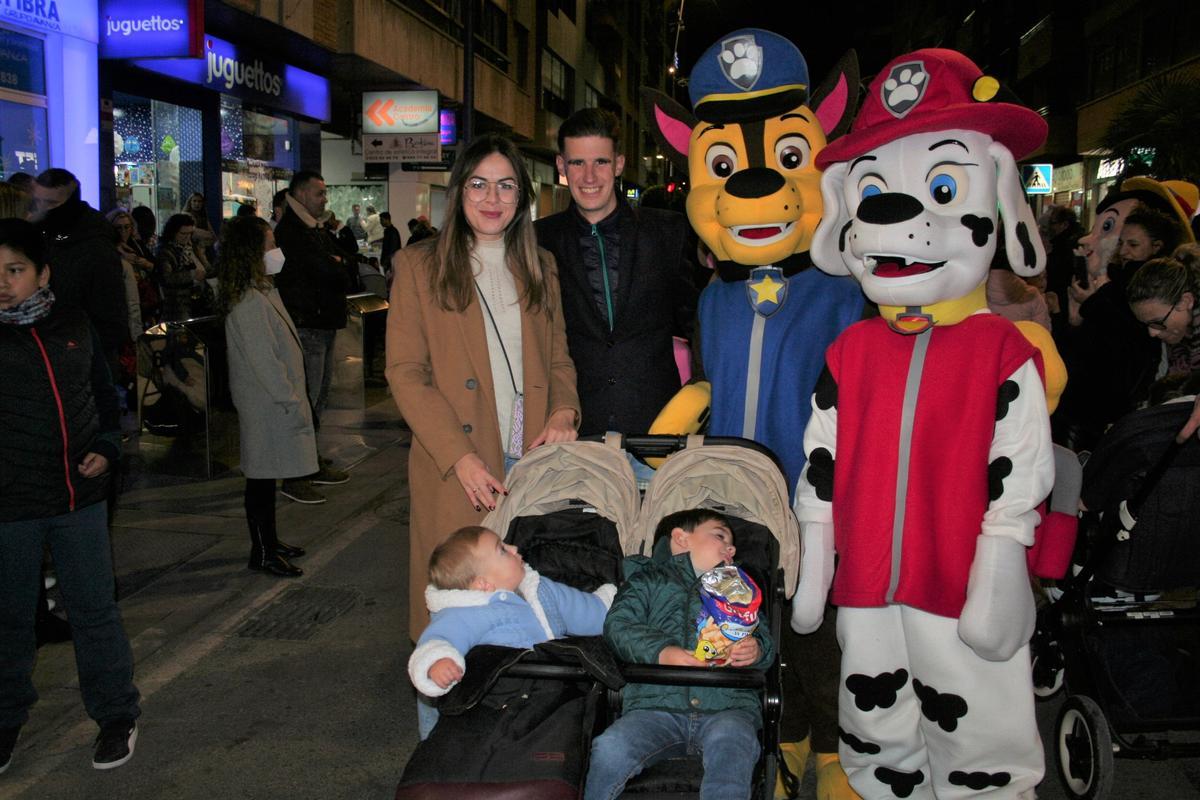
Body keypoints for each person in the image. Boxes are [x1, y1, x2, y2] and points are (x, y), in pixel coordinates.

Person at [385, 133, 581, 639]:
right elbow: (405, 372)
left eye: (506, 186)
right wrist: (459, 455)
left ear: (521, 198)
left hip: (529, 460)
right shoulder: (419, 267)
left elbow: (559, 359)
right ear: (458, 192)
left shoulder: (542, 268)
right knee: (455, 614)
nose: (492, 200)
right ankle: (442, 711)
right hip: (458, 464)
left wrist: (564, 413)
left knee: (526, 605)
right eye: (478, 185)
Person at [0, 218, 142, 772]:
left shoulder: (73, 323)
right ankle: (6, 722)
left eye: (15, 270)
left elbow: (106, 399)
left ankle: (115, 716)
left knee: (94, 612)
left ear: (43, 274)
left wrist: (108, 447)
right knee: (10, 620)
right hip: (10, 507)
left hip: (80, 497)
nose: (4, 283)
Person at [584, 509, 773, 800]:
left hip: (727, 708)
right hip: (655, 704)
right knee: (611, 747)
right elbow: (619, 626)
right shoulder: (647, 580)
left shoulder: (739, 590)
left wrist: (756, 649)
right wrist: (662, 651)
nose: (731, 547)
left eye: (732, 544)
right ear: (681, 539)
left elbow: (764, 637)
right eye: (720, 536)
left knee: (734, 746)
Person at [535, 108, 698, 437]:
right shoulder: (538, 239)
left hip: (657, 428)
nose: (589, 177)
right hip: (575, 430)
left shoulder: (668, 233)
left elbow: (698, 322)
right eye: (578, 163)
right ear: (561, 166)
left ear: (619, 164)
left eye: (601, 162)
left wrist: (700, 393)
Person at [408, 524, 614, 737]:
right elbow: (439, 638)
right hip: (495, 708)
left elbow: (588, 612)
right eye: (503, 550)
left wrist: (615, 604)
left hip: (553, 697)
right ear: (484, 584)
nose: (514, 548)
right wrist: (438, 661)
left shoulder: (540, 590)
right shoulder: (466, 613)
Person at [218, 215, 315, 578]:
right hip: (268, 406)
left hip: (273, 404)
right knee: (260, 479)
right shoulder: (248, 301)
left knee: (267, 477)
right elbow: (265, 362)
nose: (277, 251)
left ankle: (270, 542)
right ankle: (262, 550)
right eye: (271, 244)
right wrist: (290, 399)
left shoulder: (262, 290)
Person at [273, 170, 354, 504]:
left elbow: (344, 263)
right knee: (304, 399)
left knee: (317, 397)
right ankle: (296, 472)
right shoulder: (293, 231)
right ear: (302, 193)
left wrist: (338, 263)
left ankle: (308, 463)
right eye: (320, 193)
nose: (325, 199)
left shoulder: (312, 228)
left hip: (321, 321)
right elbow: (325, 269)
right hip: (308, 322)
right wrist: (336, 265)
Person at [31, 169, 129, 375]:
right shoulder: (46, 237)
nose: (42, 209)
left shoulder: (95, 248)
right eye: (38, 202)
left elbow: (112, 318)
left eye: (51, 204)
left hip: (85, 362)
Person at [156, 213, 206, 322]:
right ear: (173, 232)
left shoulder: (190, 247)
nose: (187, 237)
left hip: (194, 301)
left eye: (190, 233)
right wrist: (192, 275)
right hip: (176, 304)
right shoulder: (166, 252)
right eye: (183, 233)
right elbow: (167, 278)